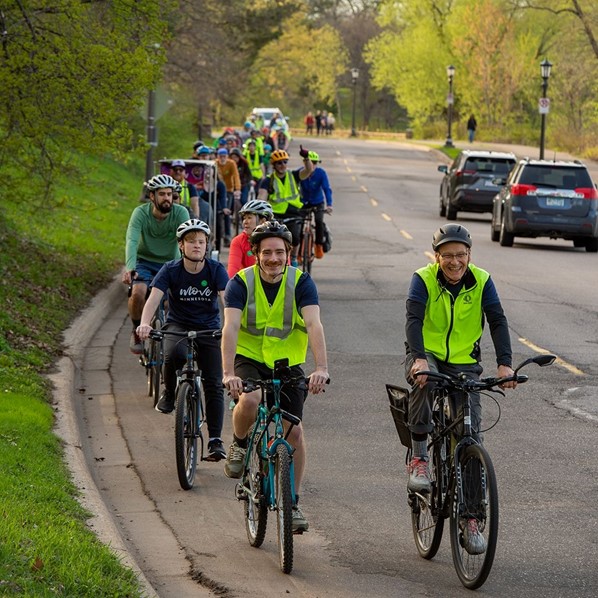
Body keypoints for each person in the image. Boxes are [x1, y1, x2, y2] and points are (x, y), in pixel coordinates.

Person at [404, 224, 516, 554]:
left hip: (465, 361)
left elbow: (497, 319)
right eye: (448, 256)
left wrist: (505, 364)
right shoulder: (422, 278)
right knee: (424, 382)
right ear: (436, 256)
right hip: (427, 355)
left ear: (470, 255)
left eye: (461, 255)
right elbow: (413, 319)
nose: (455, 262)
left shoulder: (482, 280)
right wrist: (419, 359)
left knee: (471, 438)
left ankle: (470, 519)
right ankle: (421, 459)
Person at [221, 220, 329, 533]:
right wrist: (228, 373)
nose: (273, 258)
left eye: (279, 252)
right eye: (266, 252)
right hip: (249, 358)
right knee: (251, 399)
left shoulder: (302, 282)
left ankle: (292, 503)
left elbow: (314, 325)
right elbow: (229, 328)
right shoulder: (240, 283)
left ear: (288, 253)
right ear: (255, 254)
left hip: (287, 363)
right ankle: (240, 444)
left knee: (293, 434)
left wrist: (320, 368)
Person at [136, 219, 229, 461]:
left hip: (209, 328)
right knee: (172, 354)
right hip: (178, 325)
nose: (197, 246)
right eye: (191, 241)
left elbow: (227, 301)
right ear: (181, 245)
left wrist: (231, 327)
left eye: (201, 241)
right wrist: (144, 323)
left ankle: (215, 440)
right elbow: (154, 298)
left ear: (206, 244)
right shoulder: (170, 269)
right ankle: (169, 393)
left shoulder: (215, 269)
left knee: (214, 382)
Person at [123, 174, 189, 354]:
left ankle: (168, 334)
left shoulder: (181, 213)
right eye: (162, 194)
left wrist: (179, 267)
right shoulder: (140, 213)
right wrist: (130, 267)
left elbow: (182, 242)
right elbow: (132, 240)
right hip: (144, 261)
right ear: (152, 196)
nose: (167, 198)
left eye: (169, 194)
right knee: (138, 293)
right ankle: (137, 330)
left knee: (169, 302)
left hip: (169, 263)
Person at [257, 146, 313, 266]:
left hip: (294, 212)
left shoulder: (294, 175)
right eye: (279, 163)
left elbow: (308, 171)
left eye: (285, 162)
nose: (282, 165)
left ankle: (293, 258)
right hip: (275, 214)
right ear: (274, 165)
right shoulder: (268, 180)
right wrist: (260, 210)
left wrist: (306, 157)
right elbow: (262, 196)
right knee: (272, 238)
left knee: (295, 237)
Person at [299, 151, 333, 259]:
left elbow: (326, 189)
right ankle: (299, 252)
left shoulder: (321, 173)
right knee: (298, 224)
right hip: (303, 202)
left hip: (318, 202)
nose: (312, 165)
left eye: (315, 162)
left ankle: (319, 246)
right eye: (311, 162)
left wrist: (329, 205)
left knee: (319, 221)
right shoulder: (301, 173)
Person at [226, 199, 273, 277]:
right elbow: (232, 272)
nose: (245, 221)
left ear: (263, 221)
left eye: (249, 217)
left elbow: (286, 270)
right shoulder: (238, 241)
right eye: (244, 218)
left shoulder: (277, 241)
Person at [216, 148, 241, 246]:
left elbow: (235, 176)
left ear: (227, 157)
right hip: (217, 191)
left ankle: (227, 235)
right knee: (217, 212)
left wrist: (237, 189)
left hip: (228, 190)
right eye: (220, 156)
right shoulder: (215, 163)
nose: (222, 158)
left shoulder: (231, 164)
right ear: (218, 157)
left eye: (224, 156)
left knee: (226, 212)